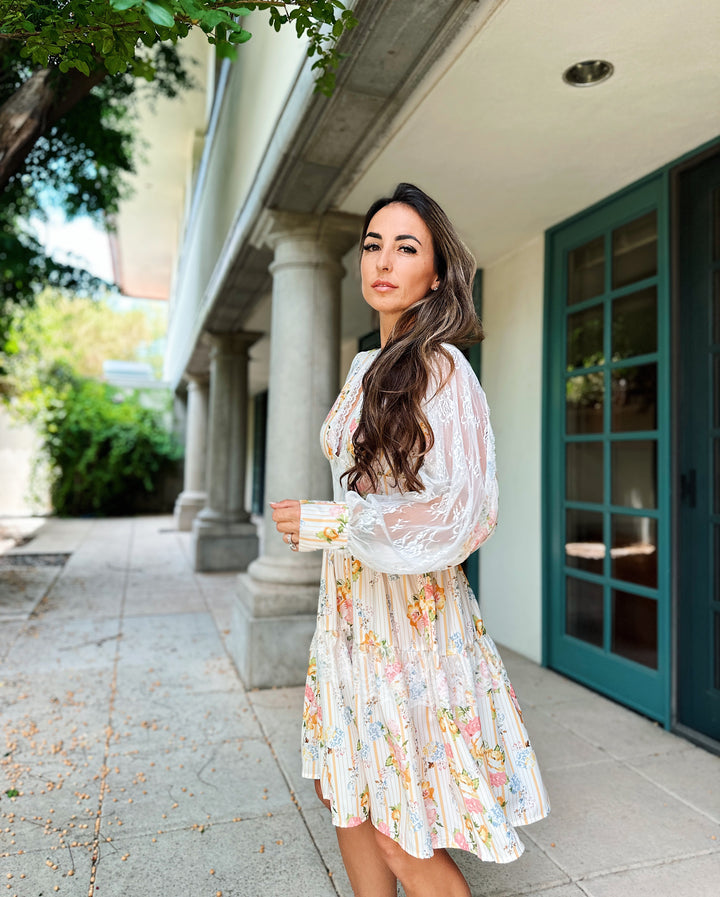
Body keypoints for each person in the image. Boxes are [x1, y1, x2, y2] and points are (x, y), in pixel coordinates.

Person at [271, 183, 550, 897]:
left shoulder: (444, 369)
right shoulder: (365, 367)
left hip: (414, 630)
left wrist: (334, 522)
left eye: (406, 246)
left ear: (436, 272)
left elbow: (462, 512)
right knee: (349, 800)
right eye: (372, 244)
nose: (383, 260)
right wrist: (338, 524)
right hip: (349, 619)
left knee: (401, 829)